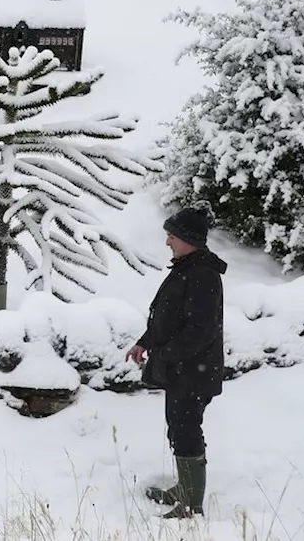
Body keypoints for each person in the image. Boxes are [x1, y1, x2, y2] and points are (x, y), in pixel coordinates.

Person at [124, 205, 226, 519]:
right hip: (183, 371)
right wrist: (145, 341)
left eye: (172, 236)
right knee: (179, 428)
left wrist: (165, 354)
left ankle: (191, 504)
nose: (167, 242)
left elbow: (201, 330)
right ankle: (185, 489)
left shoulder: (202, 275)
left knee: (186, 431)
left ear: (188, 239)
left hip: (193, 373)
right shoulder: (186, 269)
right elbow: (169, 318)